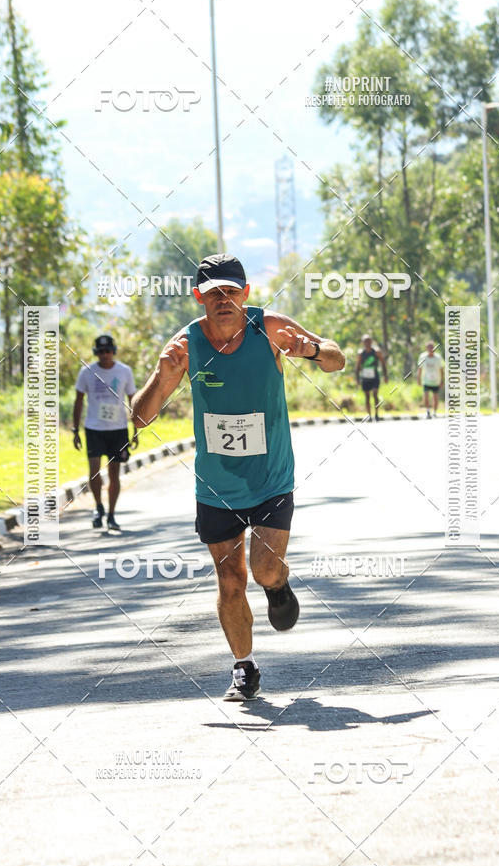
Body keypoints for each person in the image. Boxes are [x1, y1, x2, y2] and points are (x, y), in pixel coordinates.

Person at [133, 253, 345, 701]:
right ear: (200, 298)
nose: (223, 300)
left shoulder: (268, 327)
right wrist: (163, 375)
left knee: (264, 570)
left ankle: (278, 585)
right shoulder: (186, 345)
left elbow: (336, 359)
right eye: (213, 294)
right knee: (230, 578)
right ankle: (244, 667)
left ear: (245, 294)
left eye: (231, 291)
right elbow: (141, 417)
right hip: (217, 485)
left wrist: (307, 349)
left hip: (270, 477)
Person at [73, 335, 138, 531]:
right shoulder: (87, 372)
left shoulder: (124, 371)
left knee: (114, 473)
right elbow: (78, 401)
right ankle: (98, 506)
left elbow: (133, 400)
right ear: (96, 353)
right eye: (100, 352)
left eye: (108, 351)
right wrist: (75, 430)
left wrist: (136, 429)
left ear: (113, 351)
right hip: (94, 428)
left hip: (118, 429)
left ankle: (111, 514)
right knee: (94, 471)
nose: (104, 355)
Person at [355, 334, 387, 421]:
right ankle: (369, 415)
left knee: (375, 394)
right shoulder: (361, 354)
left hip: (375, 377)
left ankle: (376, 414)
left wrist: (385, 376)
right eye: (365, 341)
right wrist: (357, 379)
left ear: (371, 342)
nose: (367, 343)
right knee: (367, 396)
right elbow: (357, 367)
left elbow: (383, 363)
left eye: (369, 341)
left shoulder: (376, 352)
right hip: (365, 377)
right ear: (363, 343)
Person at [417, 341, 444, 418]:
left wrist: (442, 380)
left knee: (435, 397)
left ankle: (435, 412)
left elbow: (441, 369)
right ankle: (428, 411)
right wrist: (418, 379)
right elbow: (420, 369)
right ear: (426, 348)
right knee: (426, 396)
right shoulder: (422, 357)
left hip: (436, 381)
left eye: (432, 347)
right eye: (429, 347)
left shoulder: (438, 358)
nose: (431, 348)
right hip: (426, 380)